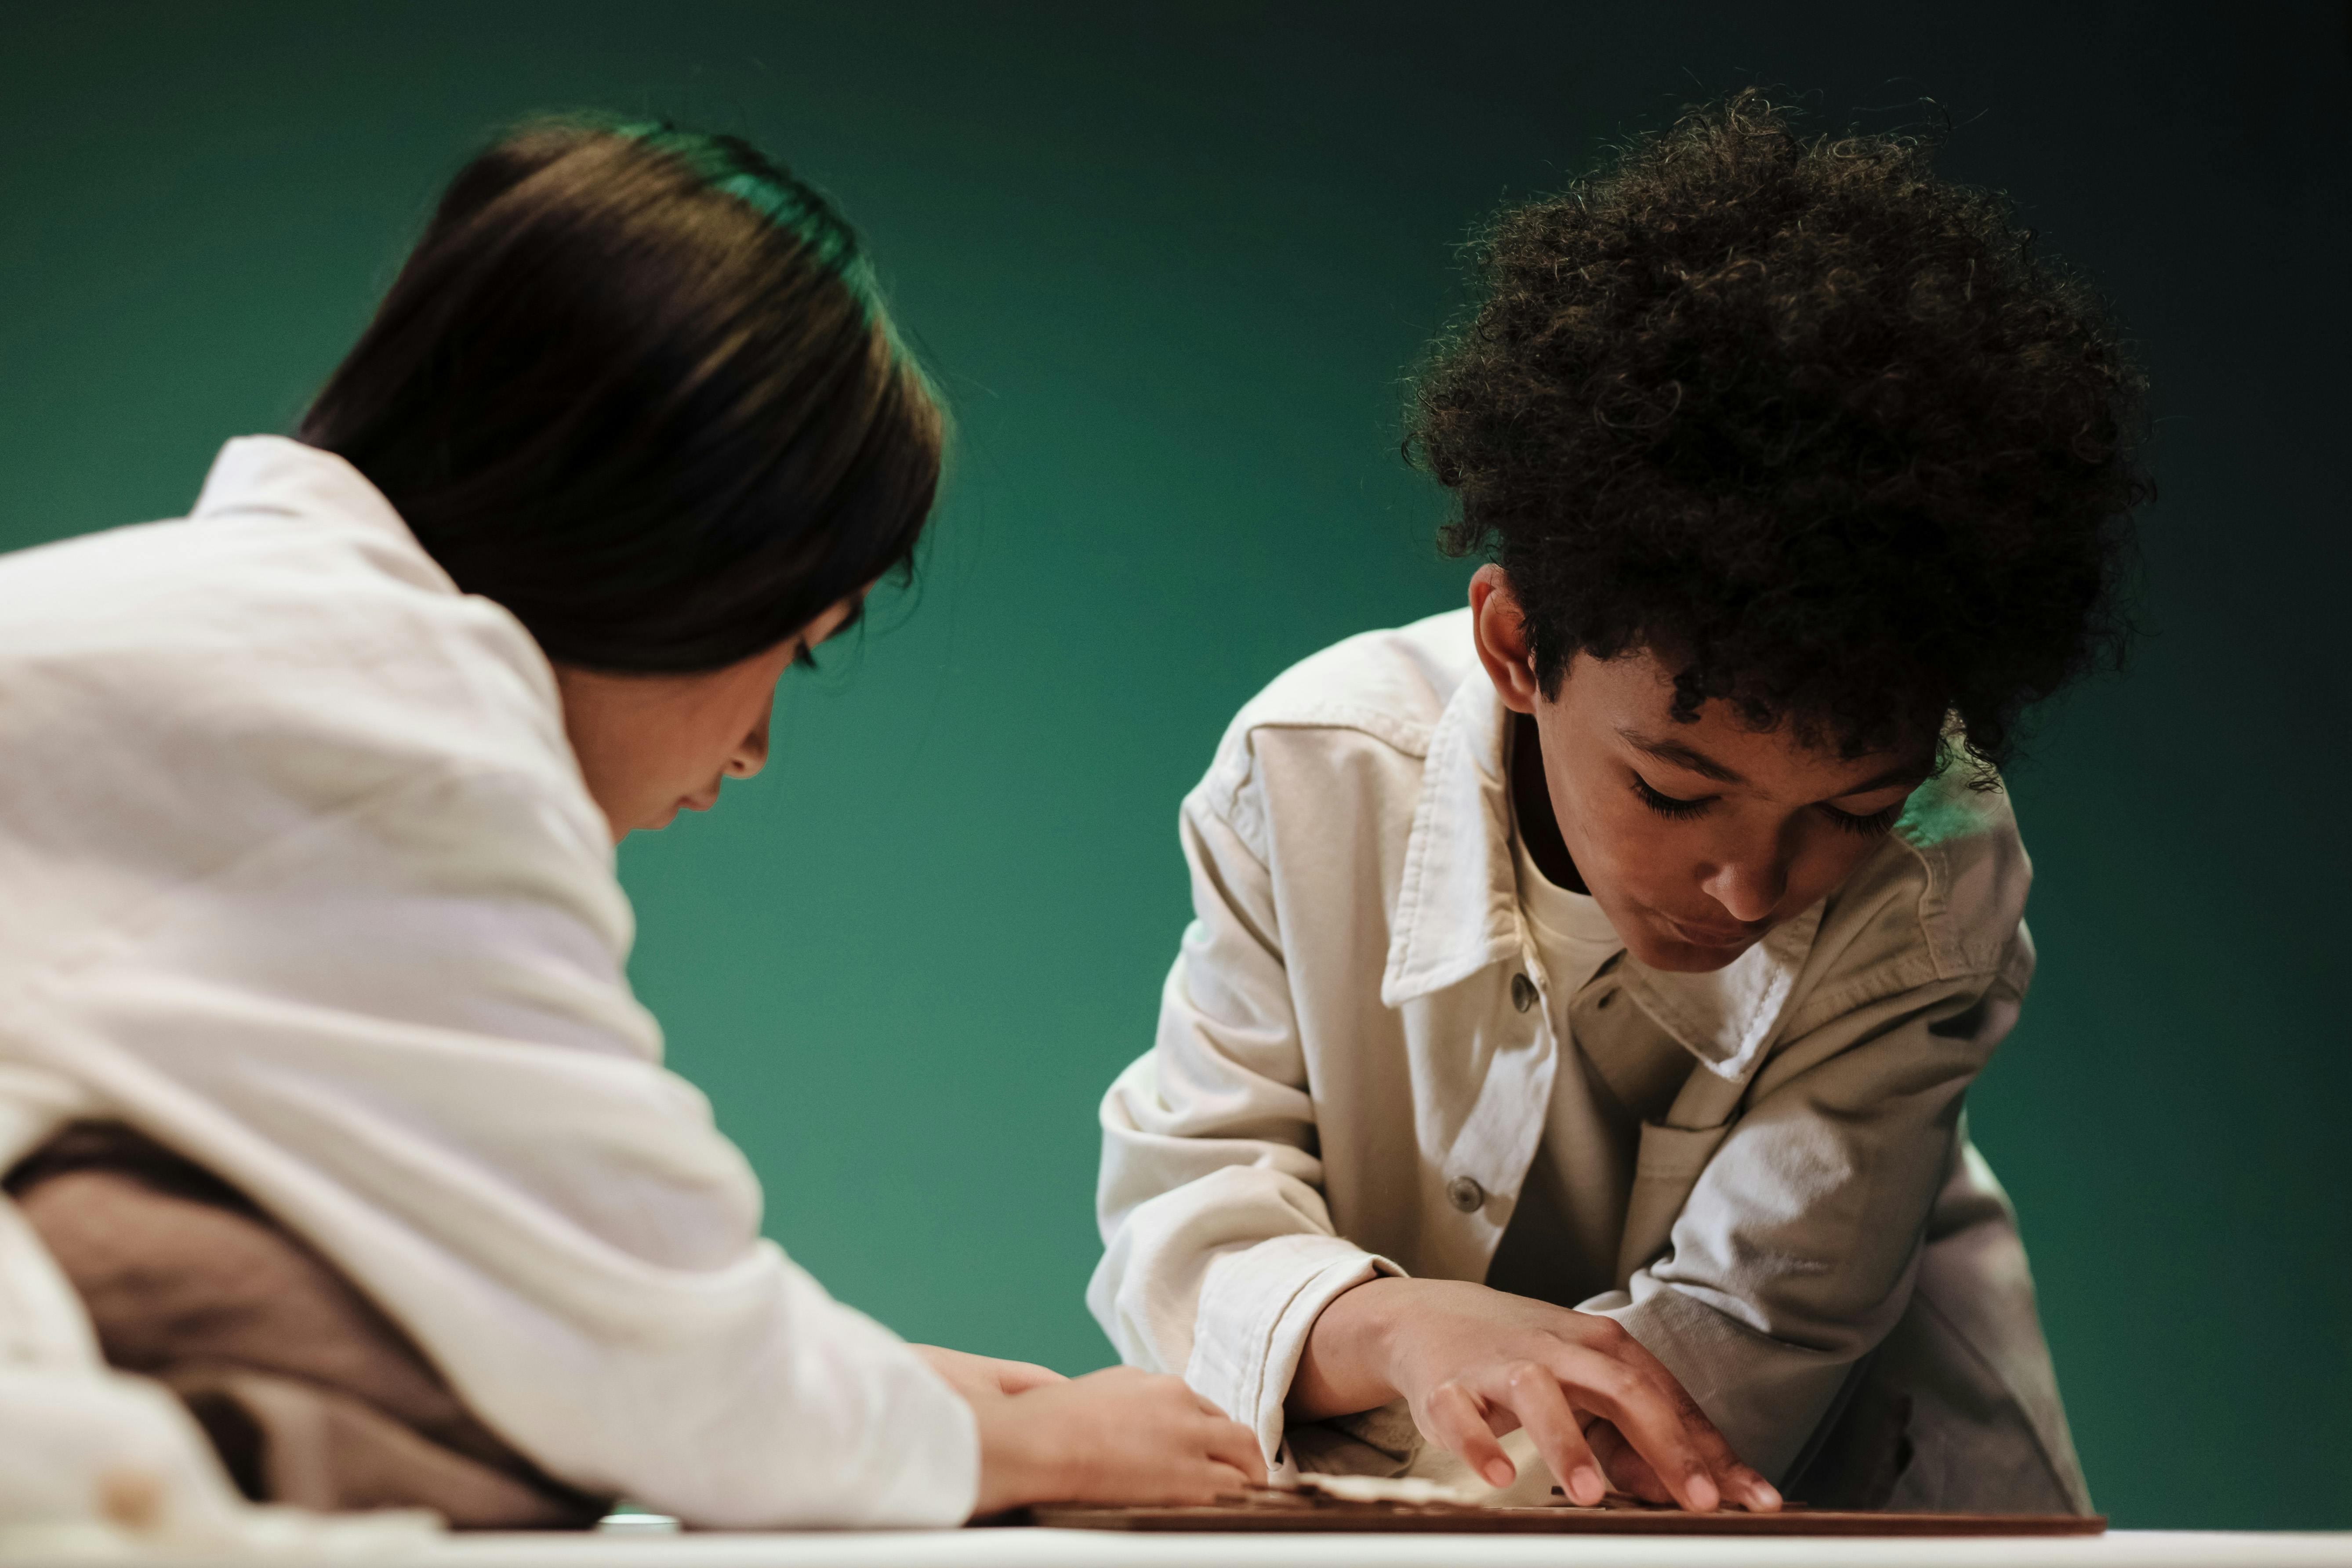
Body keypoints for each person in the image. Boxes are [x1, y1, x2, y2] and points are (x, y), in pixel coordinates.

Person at [0, 117, 1263, 1536]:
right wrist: (1029, 1447)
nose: (756, 747)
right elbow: (654, 1350)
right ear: (688, 548)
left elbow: (574, 1276)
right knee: (424, 1390)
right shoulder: (399, 734)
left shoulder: (253, 644)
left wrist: (855, 1382)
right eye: (799, 645)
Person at [1092, 91, 2145, 1516]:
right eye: (1674, 787)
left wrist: (1358, 1423)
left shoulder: (1937, 881)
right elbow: (1183, 1225)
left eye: (1850, 811)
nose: (1752, 887)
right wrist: (1393, 1327)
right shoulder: (1312, 774)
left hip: (1844, 1511)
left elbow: (1719, 1375)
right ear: (1515, 645)